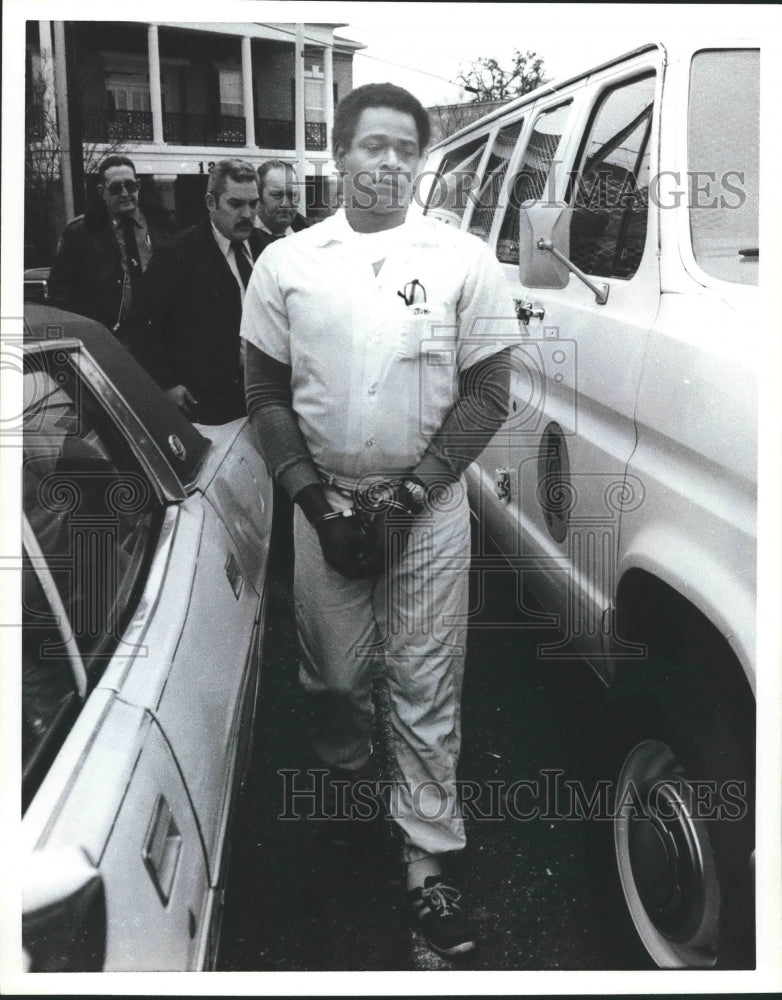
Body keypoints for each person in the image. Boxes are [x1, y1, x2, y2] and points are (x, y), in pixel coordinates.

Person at [241, 83, 519, 957]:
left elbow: (488, 393)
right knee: (334, 678)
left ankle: (429, 861)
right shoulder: (287, 262)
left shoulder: (462, 259)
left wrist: (410, 496)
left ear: (420, 162)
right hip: (324, 501)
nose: (390, 162)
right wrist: (314, 504)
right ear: (340, 154)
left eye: (406, 148)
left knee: (426, 681)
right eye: (373, 146)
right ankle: (355, 792)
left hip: (425, 507)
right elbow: (262, 394)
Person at [131, 158, 263, 424]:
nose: (247, 214)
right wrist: (167, 384)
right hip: (207, 406)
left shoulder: (268, 250)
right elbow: (143, 325)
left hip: (263, 396)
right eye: (235, 204)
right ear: (211, 203)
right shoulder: (177, 255)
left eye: (253, 204)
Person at [48, 155, 177, 342]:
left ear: (138, 185)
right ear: (102, 191)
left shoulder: (162, 223)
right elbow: (60, 292)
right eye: (116, 188)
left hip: (160, 338)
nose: (125, 193)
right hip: (111, 341)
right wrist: (93, 328)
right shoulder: (80, 233)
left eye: (130, 186)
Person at [254, 160, 310, 251]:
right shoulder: (243, 237)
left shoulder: (311, 234)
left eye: (292, 195)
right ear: (258, 196)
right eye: (277, 195)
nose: (286, 204)